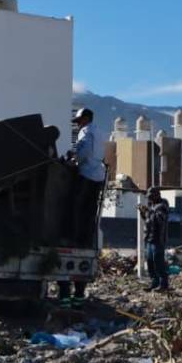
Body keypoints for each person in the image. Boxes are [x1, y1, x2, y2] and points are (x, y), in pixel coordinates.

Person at [57, 107, 106, 306]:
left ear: (86, 119)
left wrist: (71, 155)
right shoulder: (101, 132)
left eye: (78, 121)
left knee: (76, 205)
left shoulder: (87, 132)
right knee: (88, 210)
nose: (78, 125)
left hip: (87, 174)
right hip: (98, 176)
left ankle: (73, 231)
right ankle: (78, 299)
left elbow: (83, 149)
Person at [139, 186, 170, 292]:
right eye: (149, 197)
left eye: (151, 197)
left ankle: (163, 285)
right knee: (150, 262)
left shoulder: (163, 205)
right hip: (150, 238)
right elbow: (148, 220)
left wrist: (148, 212)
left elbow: (159, 220)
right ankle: (154, 283)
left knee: (158, 263)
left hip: (158, 239)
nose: (150, 199)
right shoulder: (152, 205)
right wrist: (143, 212)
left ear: (157, 195)